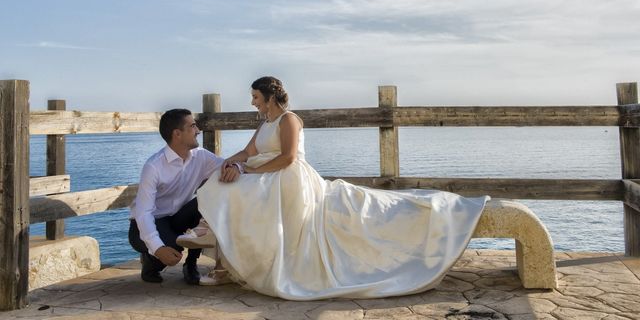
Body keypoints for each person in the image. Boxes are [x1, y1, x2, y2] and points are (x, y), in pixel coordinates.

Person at [195, 77, 489, 299]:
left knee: (242, 191)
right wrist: (229, 164)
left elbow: (287, 157)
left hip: (287, 176)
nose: (253, 102)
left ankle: (222, 249)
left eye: (256, 97)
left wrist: (250, 170)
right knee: (223, 184)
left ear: (270, 97)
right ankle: (214, 241)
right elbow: (247, 151)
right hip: (264, 174)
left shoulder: (289, 120)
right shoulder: (264, 123)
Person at [128, 108, 241, 284]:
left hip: (179, 217)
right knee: (171, 247)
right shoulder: (153, 166)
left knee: (207, 200)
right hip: (149, 222)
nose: (198, 130)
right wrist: (158, 249)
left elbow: (226, 167)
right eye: (193, 126)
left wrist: (236, 168)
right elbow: (144, 213)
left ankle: (191, 264)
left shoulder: (201, 156)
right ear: (177, 134)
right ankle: (150, 261)